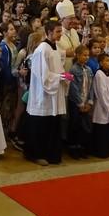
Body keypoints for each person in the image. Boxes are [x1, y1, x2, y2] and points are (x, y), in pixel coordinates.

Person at [23, 21, 71, 166]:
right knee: (41, 125)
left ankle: (51, 154)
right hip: (42, 94)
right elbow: (42, 74)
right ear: (49, 32)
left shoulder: (55, 48)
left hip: (53, 93)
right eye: (58, 31)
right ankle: (35, 154)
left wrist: (64, 75)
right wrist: (60, 77)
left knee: (52, 123)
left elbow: (57, 67)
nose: (60, 34)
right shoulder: (42, 49)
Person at [68, 44, 94, 159]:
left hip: (85, 102)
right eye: (84, 55)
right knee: (75, 124)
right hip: (75, 103)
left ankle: (81, 146)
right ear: (78, 55)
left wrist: (90, 101)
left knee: (84, 126)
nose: (87, 57)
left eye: (88, 55)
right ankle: (73, 147)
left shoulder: (88, 70)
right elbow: (73, 88)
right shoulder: (73, 70)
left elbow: (91, 87)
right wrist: (80, 103)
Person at [92, 52, 109, 159]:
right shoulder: (99, 74)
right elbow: (101, 92)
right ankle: (100, 152)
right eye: (107, 61)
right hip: (102, 107)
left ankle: (108, 150)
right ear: (101, 63)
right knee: (101, 131)